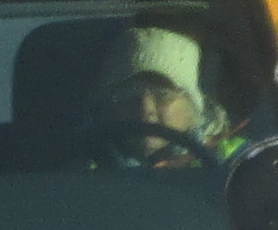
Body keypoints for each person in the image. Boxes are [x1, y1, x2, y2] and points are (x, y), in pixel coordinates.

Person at [93, 25, 243, 167]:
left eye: (162, 95)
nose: (145, 108)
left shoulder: (238, 162)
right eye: (130, 96)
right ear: (111, 108)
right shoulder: (83, 172)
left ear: (193, 106)